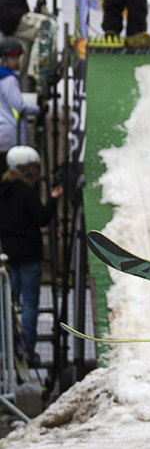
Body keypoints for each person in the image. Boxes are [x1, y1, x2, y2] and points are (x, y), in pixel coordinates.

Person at [0, 145, 62, 366]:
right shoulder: (27, 192)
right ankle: (26, 350)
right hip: (29, 255)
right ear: (23, 169)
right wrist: (53, 200)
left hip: (8, 254)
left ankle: (6, 350)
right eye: (32, 169)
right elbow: (42, 218)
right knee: (29, 306)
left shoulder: (3, 192)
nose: (35, 173)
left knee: (7, 303)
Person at [0, 38, 40, 176]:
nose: (16, 61)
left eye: (18, 57)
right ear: (4, 58)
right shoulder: (9, 79)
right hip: (8, 136)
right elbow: (19, 106)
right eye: (12, 58)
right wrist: (38, 108)